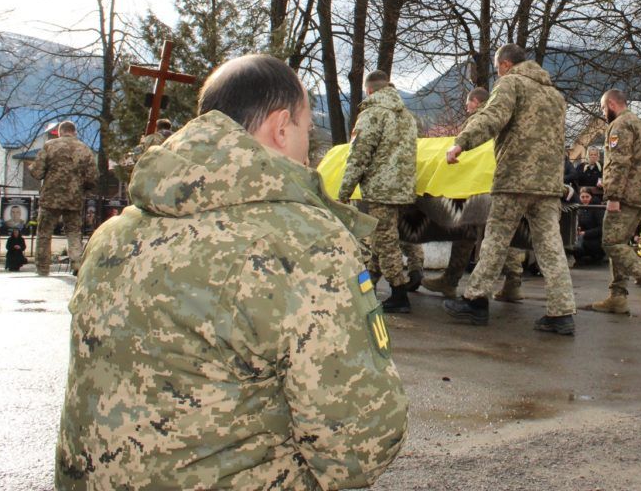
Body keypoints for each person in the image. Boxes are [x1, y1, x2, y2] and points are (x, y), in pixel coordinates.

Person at [56, 54, 408, 489]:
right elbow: (360, 443)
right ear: (281, 128)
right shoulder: (304, 243)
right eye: (306, 130)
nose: (307, 149)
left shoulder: (112, 233)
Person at [442, 45, 577, 335]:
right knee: (551, 246)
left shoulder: (511, 83)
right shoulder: (555, 96)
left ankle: (476, 300)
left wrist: (461, 142)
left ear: (504, 64)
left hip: (515, 178)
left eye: (496, 67)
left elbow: (491, 118)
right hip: (548, 182)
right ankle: (562, 313)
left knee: (496, 238)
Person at [422, 87, 526, 301]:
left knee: (466, 232)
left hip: (474, 188)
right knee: (501, 234)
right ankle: (513, 282)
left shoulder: (477, 122)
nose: (466, 107)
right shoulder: (504, 120)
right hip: (500, 186)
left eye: (468, 103)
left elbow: (465, 154)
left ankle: (450, 281)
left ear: (477, 102)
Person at [583, 88, 641, 316]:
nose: (603, 114)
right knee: (621, 243)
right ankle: (617, 297)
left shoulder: (620, 125)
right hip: (638, 195)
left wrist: (612, 196)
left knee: (611, 243)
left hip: (624, 196)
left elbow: (618, 163)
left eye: (603, 108)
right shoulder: (639, 124)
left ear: (612, 104)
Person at [338, 70, 419, 313]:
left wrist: (344, 191)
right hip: (402, 189)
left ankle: (399, 293)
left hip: (380, 190)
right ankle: (367, 286)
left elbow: (359, 155)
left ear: (370, 90)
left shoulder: (372, 113)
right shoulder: (407, 117)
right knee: (380, 239)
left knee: (386, 242)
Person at [29, 121, 98, 275]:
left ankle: (42, 268)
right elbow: (92, 177)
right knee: (74, 232)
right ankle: (77, 263)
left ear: (60, 132)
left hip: (50, 198)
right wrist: (82, 188)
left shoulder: (49, 146)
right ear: (74, 132)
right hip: (74, 199)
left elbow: (37, 172)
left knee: (44, 233)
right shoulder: (85, 149)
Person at [574, 186, 606, 264]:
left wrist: (585, 233)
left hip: (594, 238)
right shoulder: (578, 208)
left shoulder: (597, 209)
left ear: (591, 197)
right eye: (582, 197)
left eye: (587, 197)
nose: (585, 199)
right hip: (580, 236)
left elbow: (601, 228)